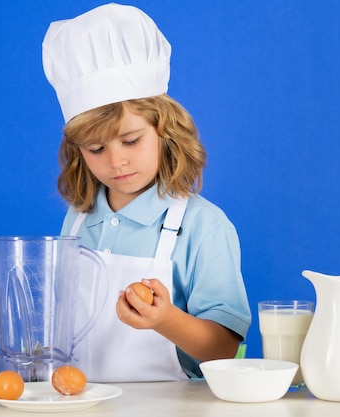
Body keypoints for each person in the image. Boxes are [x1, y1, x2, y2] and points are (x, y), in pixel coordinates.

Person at [42, 3, 251, 382]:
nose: (116, 161)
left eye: (130, 140)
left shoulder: (203, 226)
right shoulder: (77, 219)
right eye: (96, 149)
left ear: (165, 131)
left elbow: (224, 348)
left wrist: (165, 319)